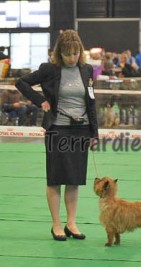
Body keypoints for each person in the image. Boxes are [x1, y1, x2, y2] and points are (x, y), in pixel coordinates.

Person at [15, 29, 99, 241]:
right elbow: (21, 83)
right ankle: (56, 224)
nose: (72, 58)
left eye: (75, 53)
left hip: (81, 130)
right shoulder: (48, 70)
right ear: (58, 53)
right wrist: (40, 101)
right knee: (55, 178)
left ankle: (72, 223)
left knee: (74, 179)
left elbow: (91, 102)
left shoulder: (87, 70)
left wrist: (93, 133)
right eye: (67, 54)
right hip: (57, 129)